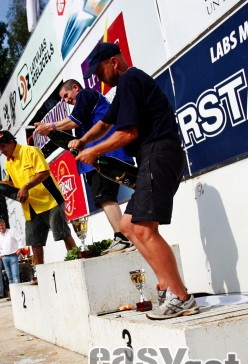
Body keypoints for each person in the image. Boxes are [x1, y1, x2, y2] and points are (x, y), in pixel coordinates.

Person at [69, 42, 198, 320]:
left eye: (99, 71)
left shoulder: (130, 79)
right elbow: (105, 124)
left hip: (158, 153)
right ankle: (165, 284)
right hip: (153, 156)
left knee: (145, 230)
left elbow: (128, 134)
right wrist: (83, 140)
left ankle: (181, 297)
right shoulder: (126, 87)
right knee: (128, 226)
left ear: (114, 62)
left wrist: (93, 151)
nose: (98, 78)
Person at [35, 78, 136, 254]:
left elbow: (74, 120)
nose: (66, 100)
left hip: (104, 154)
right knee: (106, 197)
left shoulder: (86, 94)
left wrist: (50, 126)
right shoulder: (85, 102)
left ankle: (124, 237)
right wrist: (52, 130)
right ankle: (128, 235)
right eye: (63, 99)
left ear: (75, 88)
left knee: (105, 197)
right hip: (98, 156)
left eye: (66, 95)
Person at [0, 131, 75, 265]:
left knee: (63, 234)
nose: (1, 151)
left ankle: (77, 260)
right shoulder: (8, 162)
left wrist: (26, 187)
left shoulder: (30, 151)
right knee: (35, 242)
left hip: (50, 201)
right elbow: (11, 183)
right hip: (30, 206)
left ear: (11, 142)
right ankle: (40, 271)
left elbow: (44, 172)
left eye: (3, 146)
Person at [0, 219, 25, 294]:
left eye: (2, 225)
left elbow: (21, 238)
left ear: (4, 224)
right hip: (4, 257)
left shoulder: (11, 231)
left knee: (15, 275)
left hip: (13, 255)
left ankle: (18, 292)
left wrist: (19, 248)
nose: (1, 227)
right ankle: (13, 293)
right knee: (9, 276)